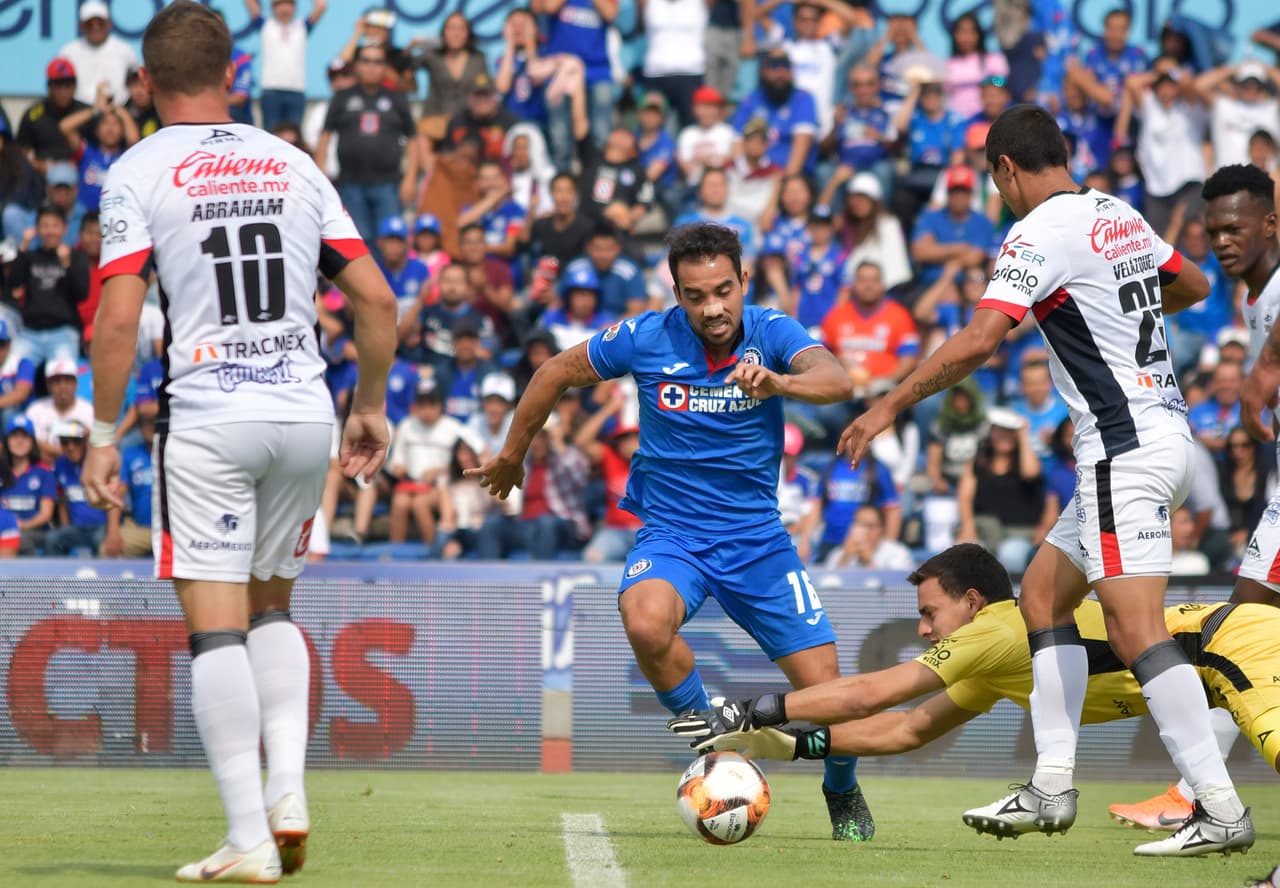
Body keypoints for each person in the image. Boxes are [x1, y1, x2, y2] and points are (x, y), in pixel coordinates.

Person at [839, 104, 1251, 857]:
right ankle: (1051, 784)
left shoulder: (1036, 231)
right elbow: (1189, 285)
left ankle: (1220, 808)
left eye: (998, 184)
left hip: (1121, 450)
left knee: (1136, 630)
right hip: (1168, 436)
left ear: (1005, 169)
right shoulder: (1118, 213)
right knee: (1041, 596)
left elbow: (979, 340)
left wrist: (888, 404)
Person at [80, 4, 397, 881]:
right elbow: (375, 300)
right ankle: (289, 791)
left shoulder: (137, 169)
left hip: (211, 419)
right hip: (303, 415)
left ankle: (249, 835)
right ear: (235, 74)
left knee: (216, 633)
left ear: (145, 83)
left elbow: (116, 319)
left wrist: (102, 435)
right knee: (273, 610)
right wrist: (369, 404)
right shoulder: (293, 162)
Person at [467, 222, 874, 841]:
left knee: (832, 693)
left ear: (743, 281)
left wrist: (780, 382)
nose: (712, 307)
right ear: (676, 293)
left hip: (757, 542)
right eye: (695, 295)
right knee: (644, 619)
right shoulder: (646, 337)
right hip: (673, 534)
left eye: (722, 290)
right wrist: (512, 454)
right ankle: (708, 732)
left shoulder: (772, 331)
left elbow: (839, 380)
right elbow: (553, 371)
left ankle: (841, 790)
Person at [667, 544, 1280, 804]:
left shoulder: (998, 628)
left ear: (973, 602)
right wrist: (789, 746)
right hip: (1222, 653)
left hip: (1231, 640)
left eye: (930, 613)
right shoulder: (998, 661)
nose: (926, 630)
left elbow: (869, 694)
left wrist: (754, 708)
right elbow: (904, 731)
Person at [315, 42, 423, 246]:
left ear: (385, 67)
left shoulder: (397, 99)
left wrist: (410, 178)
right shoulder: (342, 98)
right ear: (357, 66)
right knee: (357, 242)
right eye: (366, 61)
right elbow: (325, 135)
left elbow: (413, 139)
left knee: (390, 242)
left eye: (377, 62)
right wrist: (321, 173)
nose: (371, 67)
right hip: (350, 184)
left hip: (389, 184)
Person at [244, 0, 328, 132]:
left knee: (294, 138)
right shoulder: (265, 25)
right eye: (279, 4)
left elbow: (321, 6)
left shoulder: (302, 27)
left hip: (296, 90)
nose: (284, 9)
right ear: (273, 8)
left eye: (288, 4)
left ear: (294, 7)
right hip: (271, 90)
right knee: (271, 135)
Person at [58, 2, 138, 107]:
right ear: (81, 26)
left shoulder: (125, 51)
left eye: (100, 23)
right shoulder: (67, 53)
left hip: (118, 112)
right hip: (79, 113)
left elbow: (136, 83)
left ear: (109, 23)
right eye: (89, 24)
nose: (95, 27)